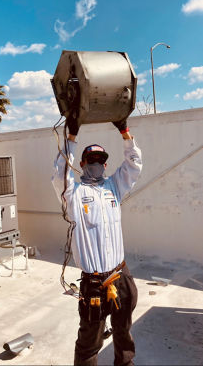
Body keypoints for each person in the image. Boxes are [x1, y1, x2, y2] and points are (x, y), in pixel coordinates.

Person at [52, 115, 142, 366]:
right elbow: (60, 174)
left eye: (101, 160)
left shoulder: (114, 186)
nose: (97, 164)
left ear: (105, 165)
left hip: (121, 275)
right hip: (94, 284)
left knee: (124, 334)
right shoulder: (73, 194)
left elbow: (134, 164)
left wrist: (124, 131)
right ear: (82, 163)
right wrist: (71, 137)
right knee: (90, 343)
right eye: (91, 160)